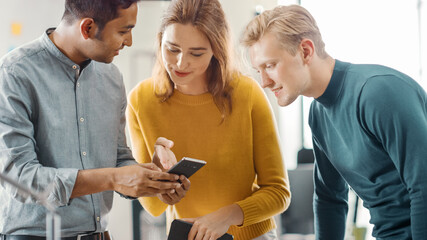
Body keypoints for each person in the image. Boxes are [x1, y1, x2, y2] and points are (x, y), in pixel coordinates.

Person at [241, 4, 427, 240]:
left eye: (270, 65)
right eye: (259, 70)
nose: (265, 82)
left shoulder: (377, 92)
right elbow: (329, 198)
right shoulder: (318, 114)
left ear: (306, 51)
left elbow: (424, 186)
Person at [0, 0, 181, 239]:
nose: (129, 41)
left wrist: (151, 178)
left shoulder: (112, 77)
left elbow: (118, 159)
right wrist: (113, 179)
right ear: (87, 28)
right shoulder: (14, 73)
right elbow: (20, 177)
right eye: (123, 31)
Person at [126, 0, 291, 239]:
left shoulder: (247, 93)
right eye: (172, 49)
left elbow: (279, 193)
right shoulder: (141, 100)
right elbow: (153, 208)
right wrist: (160, 184)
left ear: (216, 49)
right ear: (160, 40)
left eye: (196, 53)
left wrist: (225, 217)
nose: (181, 63)